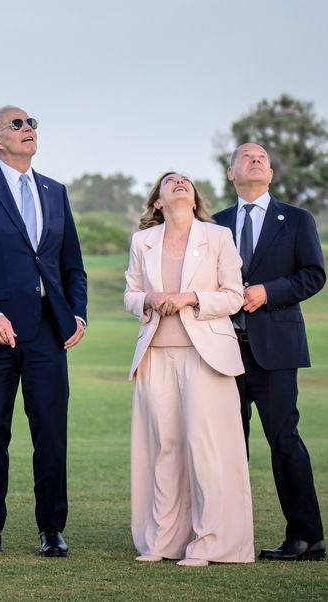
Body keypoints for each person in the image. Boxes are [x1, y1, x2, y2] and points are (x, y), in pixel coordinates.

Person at [0, 106, 87, 558]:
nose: (28, 129)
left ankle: (52, 528)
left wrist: (78, 314)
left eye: (32, 124)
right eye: (17, 125)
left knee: (51, 432)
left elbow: (71, 265)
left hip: (49, 333)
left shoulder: (55, 191)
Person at [124, 172, 254, 567]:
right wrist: (151, 297)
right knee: (165, 446)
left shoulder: (218, 237)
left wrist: (190, 298)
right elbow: (130, 294)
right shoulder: (142, 242)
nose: (180, 183)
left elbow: (233, 296)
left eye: (185, 180)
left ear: (194, 196)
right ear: (158, 202)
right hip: (155, 356)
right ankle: (162, 540)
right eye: (170, 182)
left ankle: (211, 542)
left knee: (205, 446)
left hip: (207, 357)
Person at [214, 143, 325, 561]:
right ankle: (228, 535)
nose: (255, 159)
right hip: (222, 352)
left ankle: (307, 536)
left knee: (284, 441)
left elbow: (313, 275)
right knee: (228, 444)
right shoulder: (215, 224)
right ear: (230, 173)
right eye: (246, 156)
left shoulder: (296, 219)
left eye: (262, 157)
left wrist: (268, 292)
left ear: (272, 173)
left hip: (276, 350)